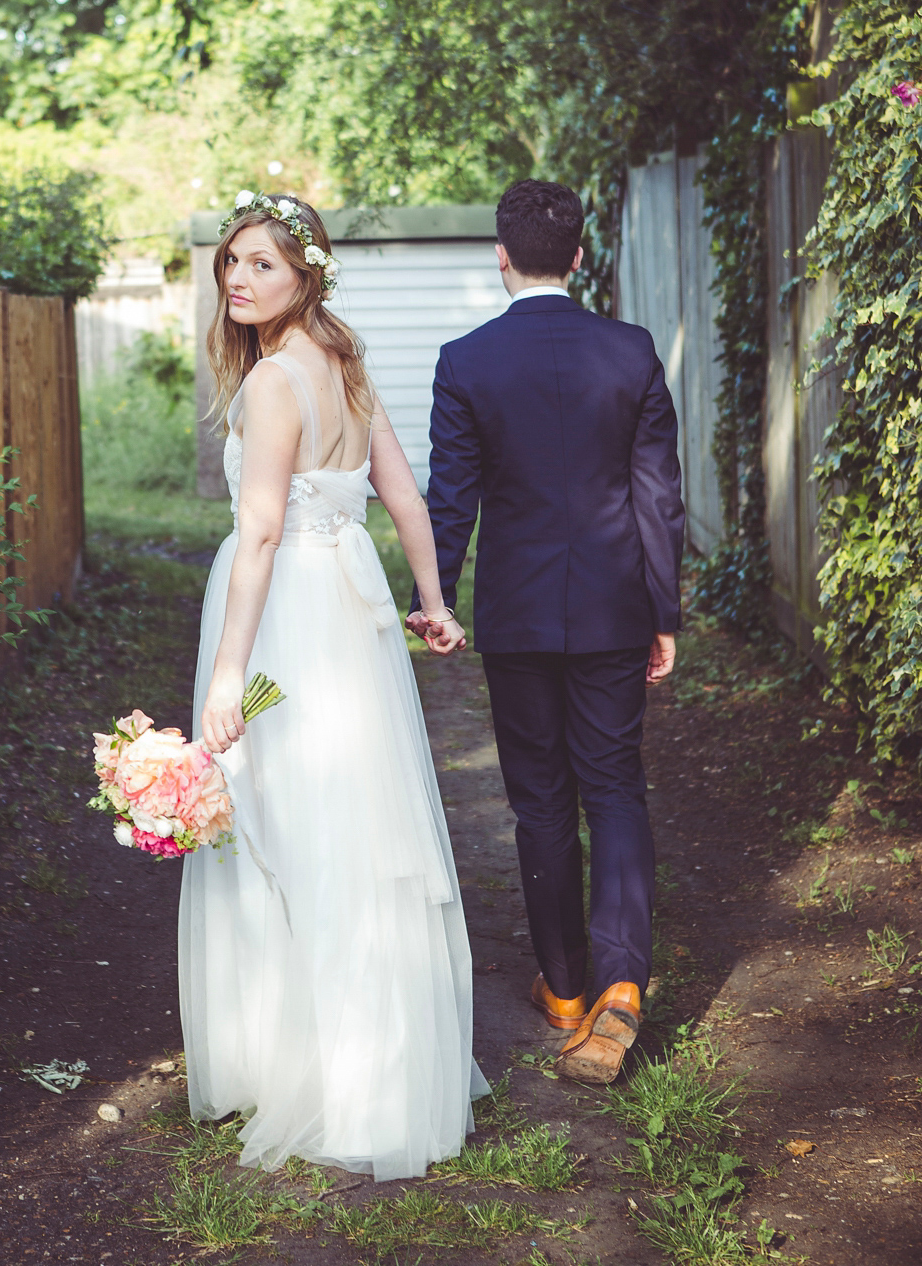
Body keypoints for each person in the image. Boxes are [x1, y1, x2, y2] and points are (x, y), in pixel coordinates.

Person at [179, 190, 489, 1181]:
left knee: (289, 819)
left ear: (306, 271)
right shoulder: (346, 366)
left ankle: (310, 1066)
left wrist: (229, 676)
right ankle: (365, 1065)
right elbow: (399, 489)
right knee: (351, 817)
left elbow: (263, 528)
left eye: (261, 264)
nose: (237, 278)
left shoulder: (278, 379)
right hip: (349, 600)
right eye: (231, 262)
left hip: (291, 611)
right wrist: (431, 599)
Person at [408, 179, 684, 1086]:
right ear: (578, 256)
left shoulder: (467, 360)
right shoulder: (632, 351)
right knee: (615, 788)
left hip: (519, 614)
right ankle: (622, 990)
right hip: (613, 609)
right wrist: (663, 610)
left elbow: (450, 499)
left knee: (538, 799)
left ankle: (565, 988)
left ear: (500, 256)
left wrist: (436, 600)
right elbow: (658, 498)